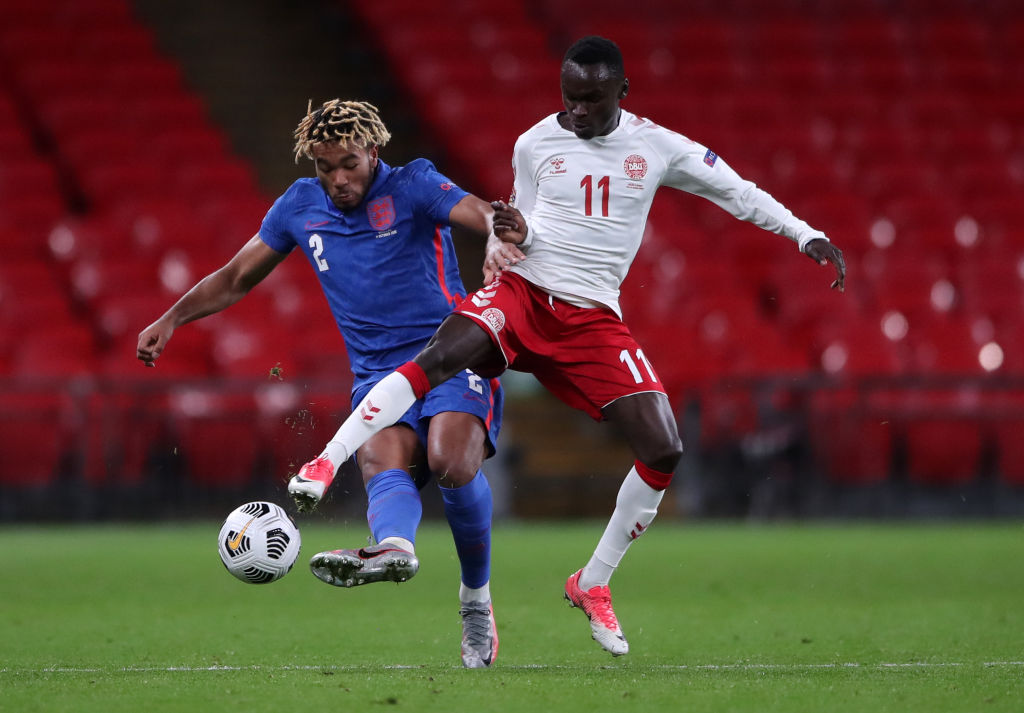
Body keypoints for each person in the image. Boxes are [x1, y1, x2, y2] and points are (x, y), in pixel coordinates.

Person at [291, 37, 846, 658]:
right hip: (525, 296)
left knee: (664, 446)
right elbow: (521, 224)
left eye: (591, 100)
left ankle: (593, 582)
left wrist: (805, 234)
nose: (577, 112)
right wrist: (507, 245)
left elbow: (737, 192)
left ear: (621, 94)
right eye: (570, 98)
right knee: (438, 354)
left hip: (591, 320)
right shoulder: (533, 144)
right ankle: (325, 461)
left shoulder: (659, 148)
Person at [137, 99, 509, 669]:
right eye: (325, 166)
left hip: (450, 355)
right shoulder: (299, 206)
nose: (338, 178)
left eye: (350, 164)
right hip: (376, 377)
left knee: (450, 461)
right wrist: (172, 318)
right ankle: (393, 550)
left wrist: (495, 236)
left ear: (373, 153)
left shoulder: (414, 184)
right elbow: (237, 277)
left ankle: (476, 604)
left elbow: (480, 211)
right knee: (381, 463)